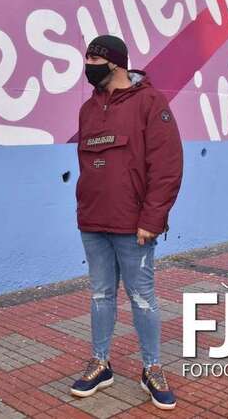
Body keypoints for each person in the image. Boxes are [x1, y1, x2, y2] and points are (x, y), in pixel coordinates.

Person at [70, 35, 183, 410]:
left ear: (115, 63)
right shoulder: (88, 109)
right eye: (87, 58)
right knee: (100, 295)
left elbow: (166, 167)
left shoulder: (150, 102)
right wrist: (83, 209)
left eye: (93, 59)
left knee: (142, 298)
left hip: (135, 226)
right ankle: (100, 363)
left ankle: (152, 368)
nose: (87, 66)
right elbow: (88, 165)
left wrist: (152, 219)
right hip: (93, 222)